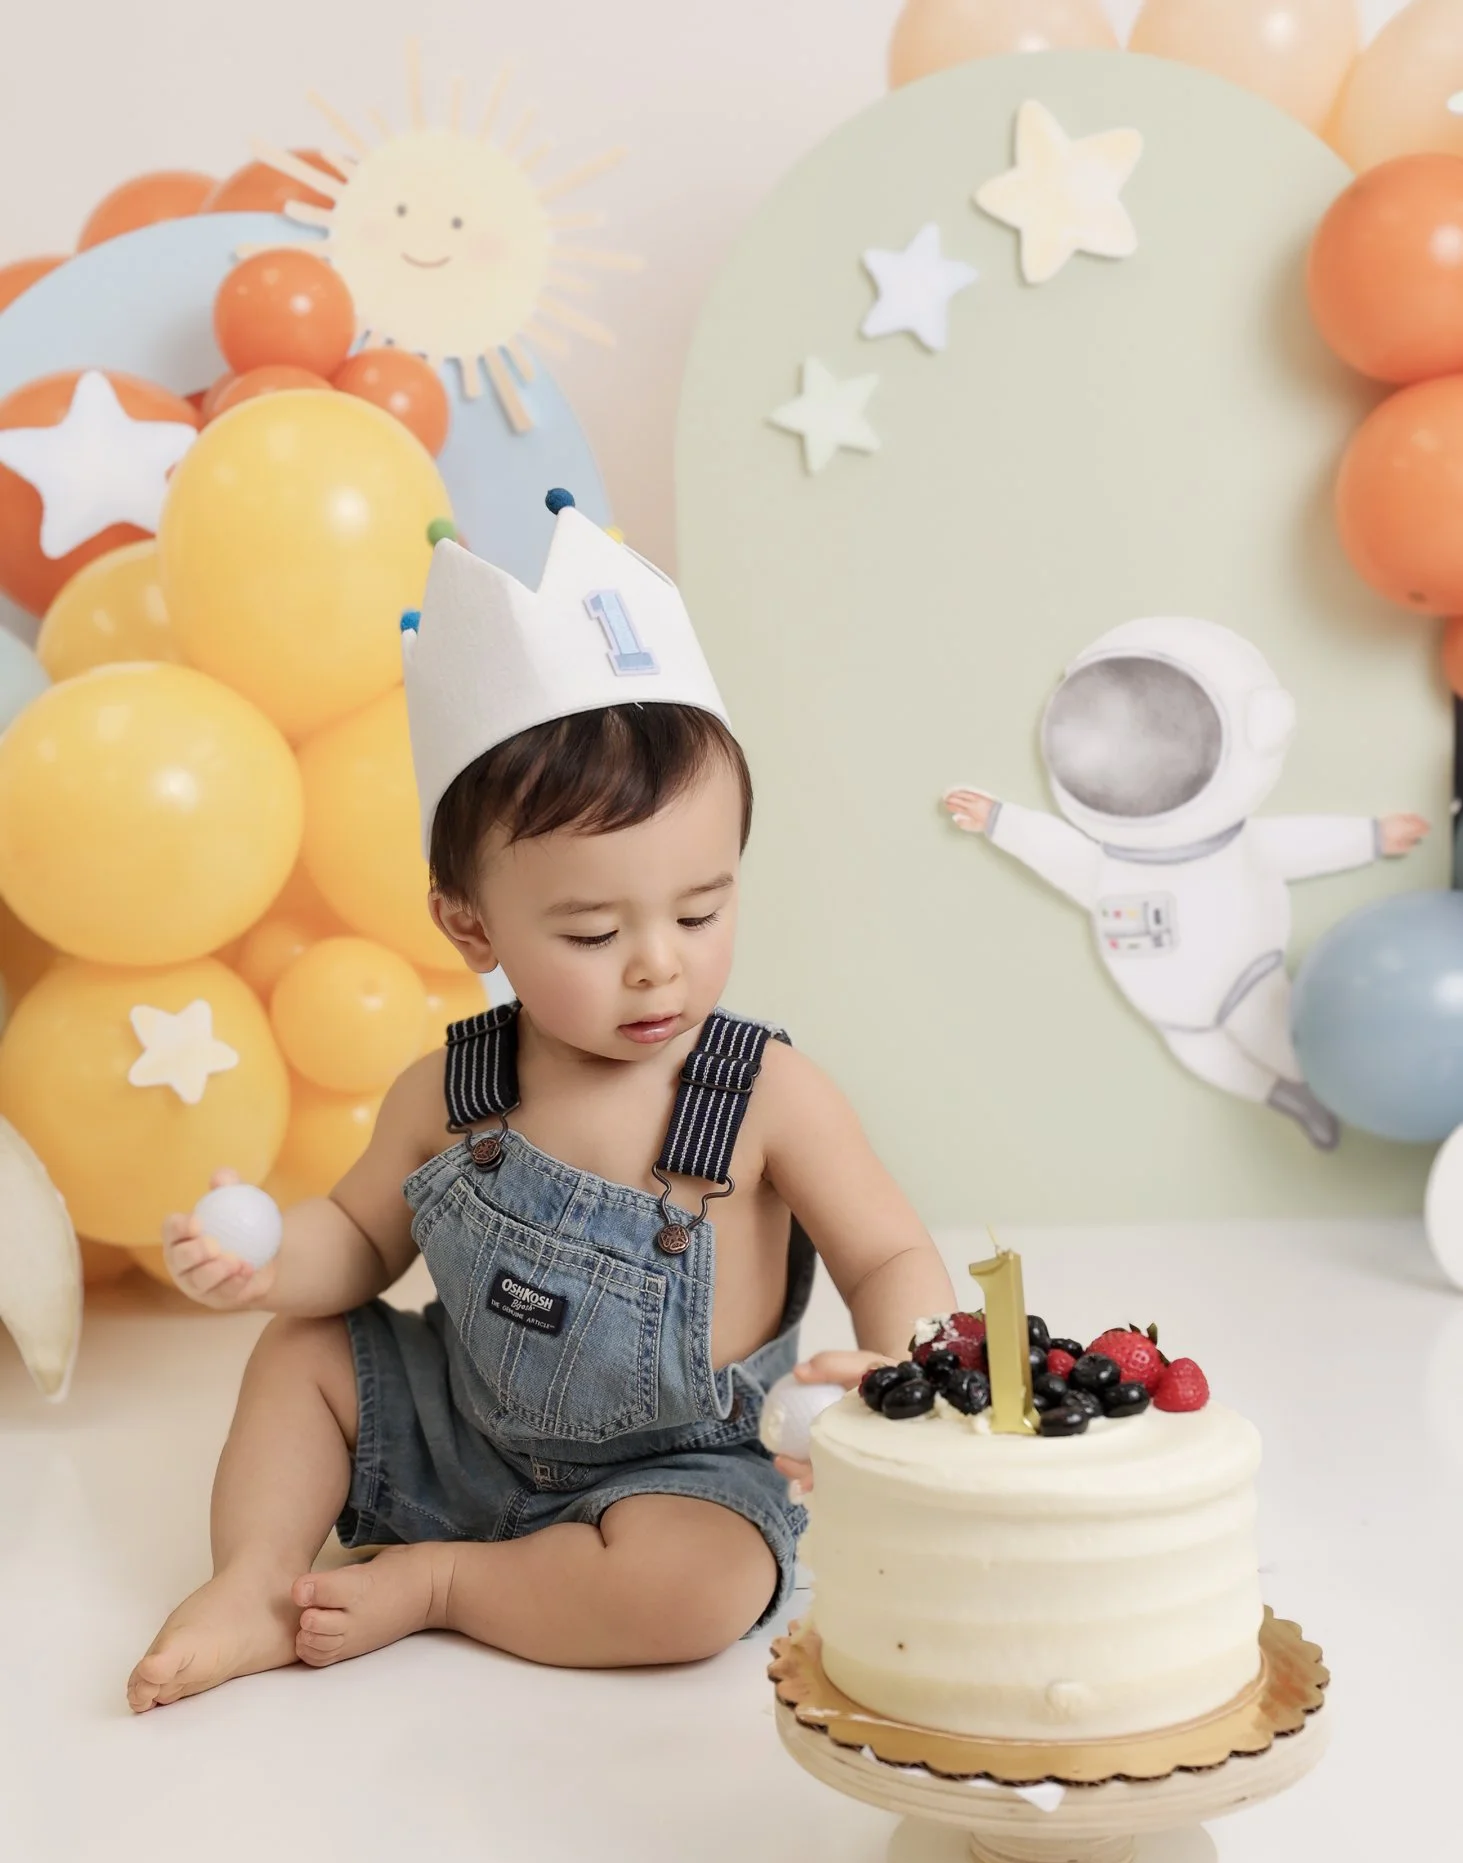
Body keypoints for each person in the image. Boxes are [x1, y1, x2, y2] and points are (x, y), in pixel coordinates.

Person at [127, 493, 952, 1713]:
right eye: (590, 928)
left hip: (679, 1469)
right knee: (302, 1353)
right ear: (472, 925)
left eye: (699, 909)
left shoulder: (765, 1091)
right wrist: (261, 1261)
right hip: (463, 1424)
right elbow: (354, 1242)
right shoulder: (451, 1090)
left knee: (704, 1587)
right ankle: (255, 1578)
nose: (656, 962)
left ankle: (448, 1583)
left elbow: (885, 1245)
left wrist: (901, 1356)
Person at [944, 615, 1428, 1150]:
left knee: (1288, 1049)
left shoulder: (1235, 848)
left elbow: (1300, 843)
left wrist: (1373, 837)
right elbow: (1054, 849)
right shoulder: (1108, 864)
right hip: (1171, 1014)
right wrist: (998, 821)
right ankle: (1291, 1100)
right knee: (1211, 1061)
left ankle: (1329, 1094)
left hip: (1249, 984)